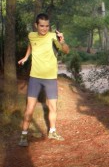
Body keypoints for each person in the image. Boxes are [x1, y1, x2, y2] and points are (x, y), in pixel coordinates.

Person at [18, 13, 70, 147]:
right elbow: (31, 45)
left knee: (52, 107)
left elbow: (66, 51)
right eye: (41, 26)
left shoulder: (54, 37)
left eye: (47, 26)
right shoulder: (31, 35)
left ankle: (52, 131)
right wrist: (25, 57)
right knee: (29, 108)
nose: (44, 29)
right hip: (35, 78)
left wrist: (62, 41)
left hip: (50, 78)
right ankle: (23, 135)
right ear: (36, 25)